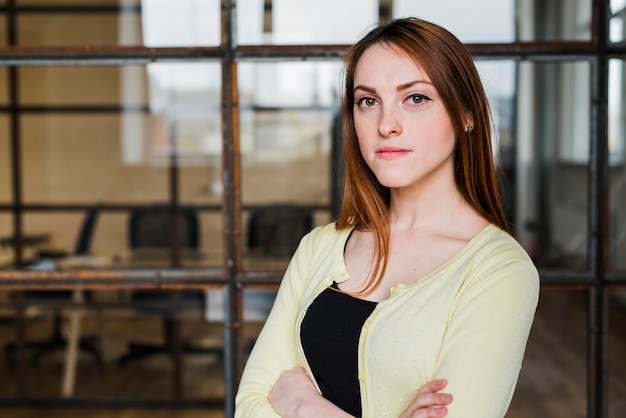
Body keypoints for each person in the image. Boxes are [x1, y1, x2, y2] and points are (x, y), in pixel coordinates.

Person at [235, 17, 539, 418]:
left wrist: (300, 404)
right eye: (368, 101)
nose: (386, 125)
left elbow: (274, 395)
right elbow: (250, 402)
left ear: (466, 112)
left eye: (415, 98)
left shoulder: (499, 271)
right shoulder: (319, 247)